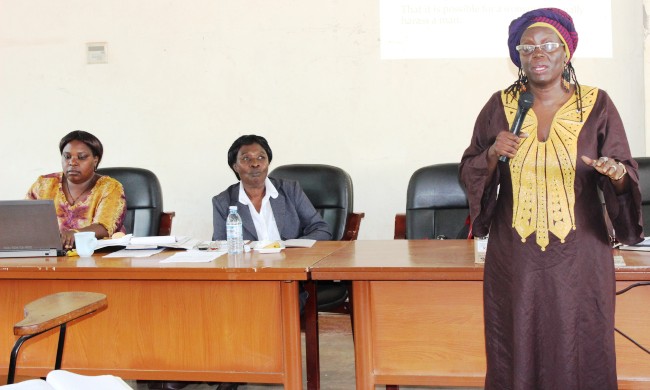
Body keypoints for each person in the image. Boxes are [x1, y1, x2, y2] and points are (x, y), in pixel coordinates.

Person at [459, 8, 644, 390]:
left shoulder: (597, 104)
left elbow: (625, 174)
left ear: (566, 53)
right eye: (527, 47)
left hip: (581, 255)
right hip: (515, 255)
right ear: (518, 58)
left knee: (582, 344)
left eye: (548, 45)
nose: (537, 54)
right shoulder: (500, 106)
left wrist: (617, 175)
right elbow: (470, 168)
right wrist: (493, 153)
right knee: (515, 341)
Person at [212, 134, 332, 242]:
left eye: (261, 157)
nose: (255, 163)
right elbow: (220, 245)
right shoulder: (223, 202)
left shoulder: (291, 190)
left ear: (268, 162)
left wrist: (293, 247)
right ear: (235, 167)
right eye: (246, 158)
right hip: (249, 265)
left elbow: (321, 229)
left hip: (292, 263)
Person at [26, 130, 126, 250]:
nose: (72, 162)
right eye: (67, 157)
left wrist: (75, 233)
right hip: (51, 256)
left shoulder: (110, 187)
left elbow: (105, 227)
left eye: (81, 157)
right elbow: (25, 220)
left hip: (98, 256)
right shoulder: (44, 184)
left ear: (95, 160)